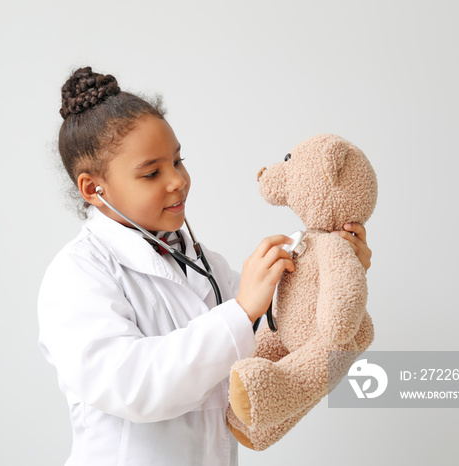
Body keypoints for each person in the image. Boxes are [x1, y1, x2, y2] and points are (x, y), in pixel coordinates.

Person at [37, 66, 372, 466]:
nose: (177, 180)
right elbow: (134, 385)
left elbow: (275, 342)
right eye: (152, 173)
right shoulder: (77, 275)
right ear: (94, 189)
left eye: (178, 161)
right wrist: (242, 309)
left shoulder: (204, 263)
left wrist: (326, 279)